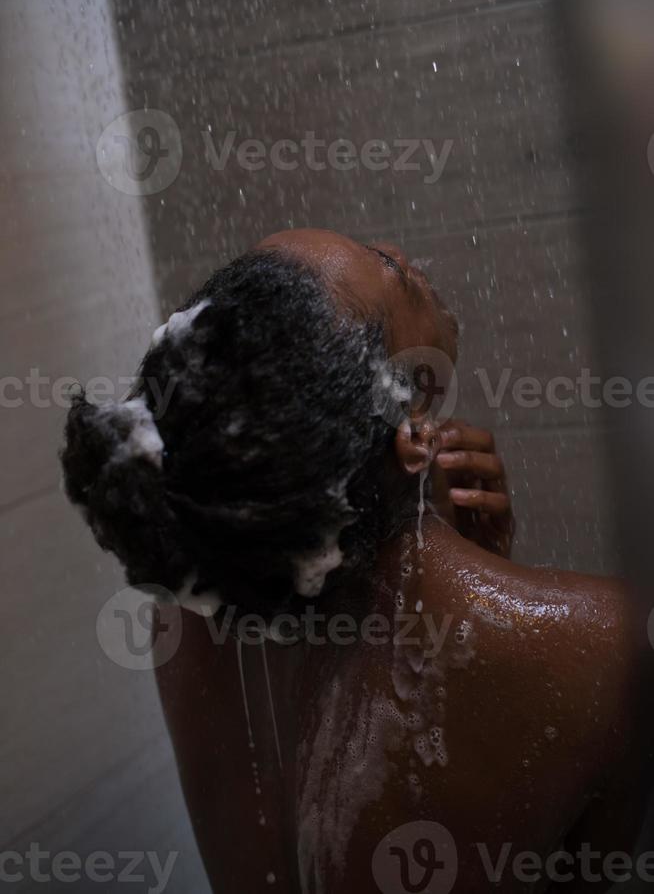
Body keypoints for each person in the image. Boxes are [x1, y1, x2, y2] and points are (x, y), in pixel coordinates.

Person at [61, 228, 654, 893]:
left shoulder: (203, 616)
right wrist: (483, 581)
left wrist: (470, 559)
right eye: (388, 269)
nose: (402, 255)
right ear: (414, 436)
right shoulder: (606, 645)